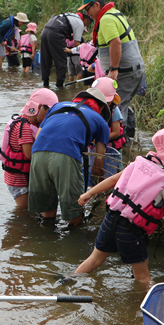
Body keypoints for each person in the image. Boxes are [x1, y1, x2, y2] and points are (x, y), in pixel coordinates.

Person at [75, 126, 164, 286]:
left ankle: (68, 281)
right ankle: (144, 309)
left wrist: (88, 194)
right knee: (143, 278)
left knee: (94, 260)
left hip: (110, 218)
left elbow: (113, 180)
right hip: (131, 231)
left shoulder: (139, 163)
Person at [28, 88, 110, 225]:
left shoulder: (57, 106)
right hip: (66, 155)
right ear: (101, 107)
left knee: (46, 212)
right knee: (74, 213)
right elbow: (97, 166)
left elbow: (38, 136)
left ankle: (44, 240)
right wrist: (100, 191)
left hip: (37, 153)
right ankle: (72, 243)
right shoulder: (101, 121)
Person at [79, 0, 145, 120]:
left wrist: (113, 69)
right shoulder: (114, 13)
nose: (87, 14)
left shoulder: (106, 19)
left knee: (116, 108)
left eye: (87, 9)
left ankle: (121, 138)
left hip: (123, 71)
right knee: (123, 104)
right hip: (131, 68)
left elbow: (115, 42)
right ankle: (128, 136)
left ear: (96, 5)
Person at [0, 88, 59, 207]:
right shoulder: (25, 127)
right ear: (40, 107)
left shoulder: (24, 121)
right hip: (18, 179)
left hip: (20, 175)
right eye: (50, 112)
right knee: (24, 211)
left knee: (30, 210)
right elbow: (29, 154)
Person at [40, 12, 92, 88]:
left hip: (45, 30)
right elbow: (76, 44)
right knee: (61, 60)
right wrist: (88, 48)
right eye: (88, 23)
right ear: (85, 20)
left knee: (45, 58)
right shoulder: (80, 23)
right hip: (56, 32)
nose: (86, 26)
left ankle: (45, 84)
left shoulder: (72, 16)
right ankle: (59, 87)